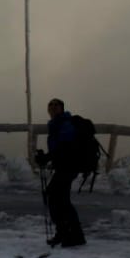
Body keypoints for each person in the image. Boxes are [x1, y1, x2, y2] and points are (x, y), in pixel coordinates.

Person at [35, 98, 87, 247]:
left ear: (62, 108)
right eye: (50, 105)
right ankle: (68, 233)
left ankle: (73, 235)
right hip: (65, 167)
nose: (53, 107)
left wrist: (47, 157)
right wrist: (48, 157)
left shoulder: (65, 124)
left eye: (56, 105)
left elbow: (65, 147)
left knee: (57, 198)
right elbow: (59, 149)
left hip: (68, 167)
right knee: (59, 199)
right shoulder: (56, 124)